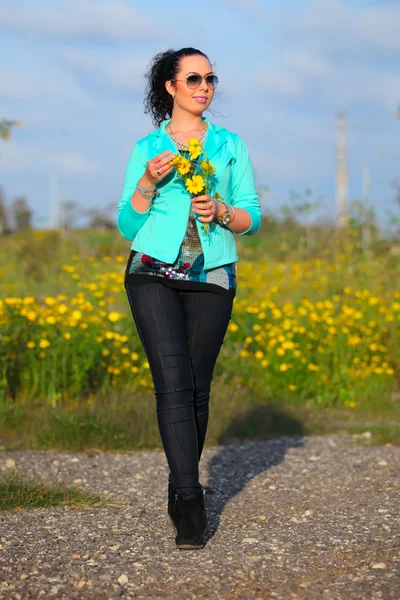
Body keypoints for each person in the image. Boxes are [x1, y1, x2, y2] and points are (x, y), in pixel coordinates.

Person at [117, 47, 261, 550]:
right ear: (170, 87)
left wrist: (221, 209)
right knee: (172, 385)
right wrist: (147, 184)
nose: (205, 86)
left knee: (197, 389)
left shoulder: (230, 145)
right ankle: (189, 497)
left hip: (213, 274)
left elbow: (252, 216)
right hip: (151, 271)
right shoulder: (147, 147)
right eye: (194, 78)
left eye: (211, 78)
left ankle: (180, 482)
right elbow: (127, 223)